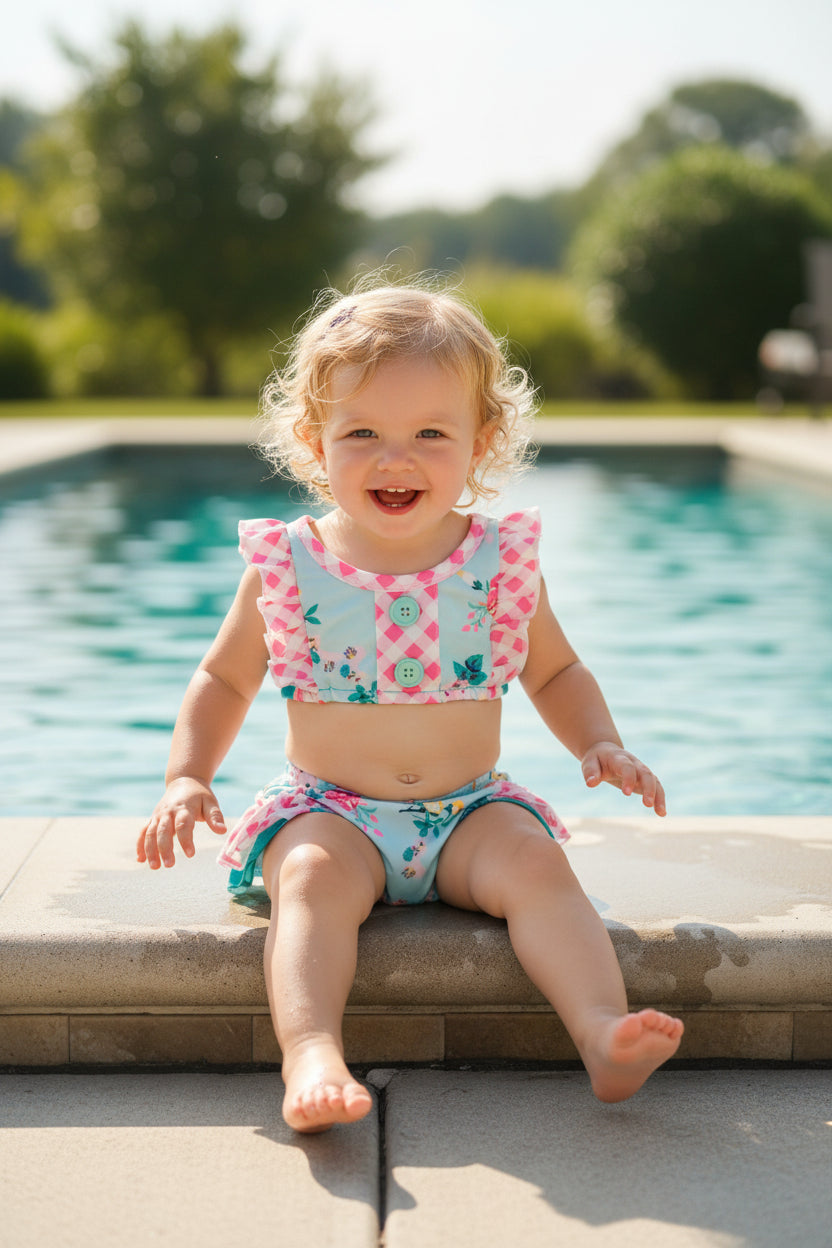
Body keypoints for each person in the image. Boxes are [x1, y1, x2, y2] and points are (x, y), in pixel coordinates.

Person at [137, 281, 683, 1133]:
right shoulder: (288, 566)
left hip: (467, 811)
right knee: (310, 881)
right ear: (315, 444)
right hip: (331, 812)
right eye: (363, 434)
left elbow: (557, 670)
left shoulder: (501, 567)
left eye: (431, 433)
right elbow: (223, 679)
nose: (397, 458)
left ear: (481, 442)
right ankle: (312, 1051)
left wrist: (599, 741)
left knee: (540, 866)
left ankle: (602, 1031)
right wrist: (185, 777)